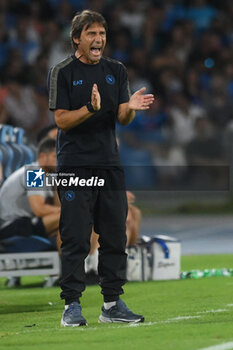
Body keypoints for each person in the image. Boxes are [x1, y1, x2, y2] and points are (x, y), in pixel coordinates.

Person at [48, 10, 154, 327]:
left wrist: (130, 109)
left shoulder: (116, 71)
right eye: (92, 34)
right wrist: (89, 109)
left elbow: (122, 117)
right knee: (76, 237)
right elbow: (61, 120)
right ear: (77, 38)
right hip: (75, 165)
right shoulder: (62, 72)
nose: (99, 40)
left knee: (114, 236)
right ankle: (71, 306)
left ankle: (111, 304)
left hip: (109, 163)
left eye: (102, 34)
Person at [0, 138, 60, 251]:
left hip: (26, 223)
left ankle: (81, 263)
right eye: (55, 157)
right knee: (71, 217)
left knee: (72, 222)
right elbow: (39, 210)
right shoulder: (34, 172)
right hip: (12, 225)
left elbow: (56, 206)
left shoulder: (51, 175)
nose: (60, 161)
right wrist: (68, 210)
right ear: (42, 157)